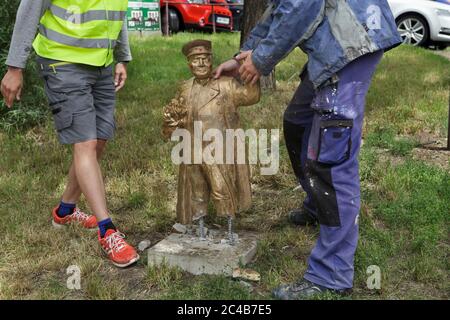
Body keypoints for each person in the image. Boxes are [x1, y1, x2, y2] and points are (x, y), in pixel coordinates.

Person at [215, 0, 402, 298]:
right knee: (298, 123)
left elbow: (303, 6)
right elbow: (278, 9)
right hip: (333, 43)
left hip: (351, 43)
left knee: (331, 162)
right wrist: (242, 58)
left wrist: (261, 59)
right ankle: (319, 206)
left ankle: (331, 274)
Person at [0, 0, 139, 268]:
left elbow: (114, 13)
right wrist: (15, 67)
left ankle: (65, 211)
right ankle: (107, 230)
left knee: (98, 142)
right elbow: (30, 9)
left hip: (102, 64)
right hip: (62, 62)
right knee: (85, 144)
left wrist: (121, 57)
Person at [162, 40, 260, 243]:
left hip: (218, 148)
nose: (200, 64)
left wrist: (252, 70)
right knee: (197, 189)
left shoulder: (224, 84)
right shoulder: (185, 88)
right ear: (188, 64)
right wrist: (171, 123)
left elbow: (250, 96)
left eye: (205, 59)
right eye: (195, 60)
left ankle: (229, 224)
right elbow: (176, 116)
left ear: (211, 61)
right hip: (192, 147)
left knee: (221, 186)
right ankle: (199, 225)